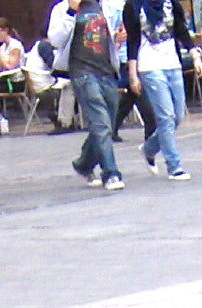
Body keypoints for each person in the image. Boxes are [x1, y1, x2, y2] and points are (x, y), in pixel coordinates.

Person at [121, 0, 192, 179]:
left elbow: (181, 30)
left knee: (177, 116)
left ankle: (149, 148)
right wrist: (133, 75)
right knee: (166, 117)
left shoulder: (170, 3)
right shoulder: (133, 6)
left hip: (173, 64)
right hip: (149, 66)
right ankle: (174, 166)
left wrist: (195, 53)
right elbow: (133, 41)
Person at [63, 0, 125, 187]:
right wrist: (70, 12)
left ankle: (84, 163)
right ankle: (111, 172)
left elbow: (110, 36)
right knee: (101, 122)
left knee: (108, 123)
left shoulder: (107, 6)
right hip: (82, 72)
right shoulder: (63, 9)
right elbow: (56, 39)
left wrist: (118, 37)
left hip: (106, 70)